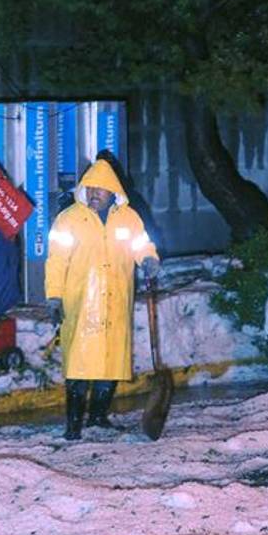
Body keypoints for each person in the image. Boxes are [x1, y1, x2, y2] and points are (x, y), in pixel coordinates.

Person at [45, 159, 160, 440]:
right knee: (79, 366)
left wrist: (148, 259)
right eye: (90, 187)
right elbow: (56, 262)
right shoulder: (69, 219)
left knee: (110, 362)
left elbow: (141, 244)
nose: (94, 192)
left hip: (116, 303)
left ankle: (98, 417)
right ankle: (73, 426)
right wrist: (54, 297)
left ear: (112, 191)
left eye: (101, 188)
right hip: (81, 304)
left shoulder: (129, 218)